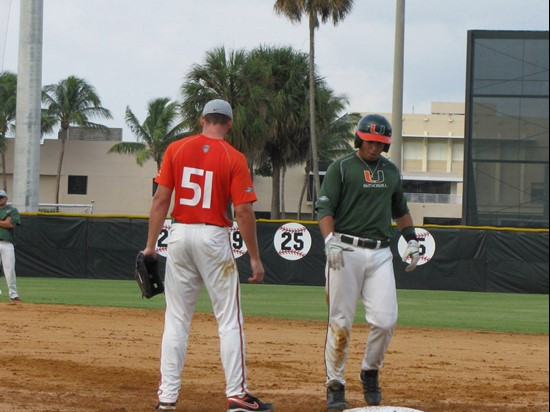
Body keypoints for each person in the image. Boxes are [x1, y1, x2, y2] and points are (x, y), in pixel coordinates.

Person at [142, 99, 273, 412]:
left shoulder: (175, 148)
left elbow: (161, 201)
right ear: (229, 124)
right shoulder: (234, 157)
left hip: (179, 233)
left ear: (202, 120)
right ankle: (237, 395)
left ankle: (167, 399)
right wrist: (254, 258)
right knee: (229, 320)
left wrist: (149, 247)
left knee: (176, 320)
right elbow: (243, 211)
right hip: (213, 236)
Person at [316, 114, 420, 410]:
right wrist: (329, 240)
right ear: (359, 139)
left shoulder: (390, 170)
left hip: (380, 253)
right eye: (370, 141)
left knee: (386, 321)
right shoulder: (342, 168)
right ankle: (335, 384)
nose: (375, 147)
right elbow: (324, 207)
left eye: (380, 143)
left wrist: (411, 239)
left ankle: (370, 370)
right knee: (340, 322)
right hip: (345, 250)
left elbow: (400, 209)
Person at [0, 189, 22, 302]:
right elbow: (6, 222)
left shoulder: (12, 210)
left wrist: (6, 222)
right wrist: (3, 221)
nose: (0, 199)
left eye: (2, 197)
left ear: (6, 198)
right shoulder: (8, 212)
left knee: (9, 269)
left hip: (7, 243)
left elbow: (10, 224)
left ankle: (13, 295)